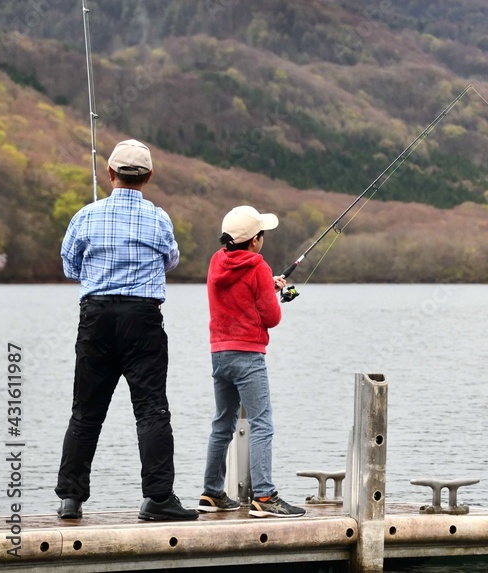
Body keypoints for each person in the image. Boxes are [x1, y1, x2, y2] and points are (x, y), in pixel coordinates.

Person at [57, 139, 198, 521]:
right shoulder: (159, 219)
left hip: (96, 317)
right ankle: (158, 499)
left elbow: (70, 267)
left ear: (110, 173)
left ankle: (71, 498)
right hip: (143, 319)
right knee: (151, 410)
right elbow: (170, 260)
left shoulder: (86, 216)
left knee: (86, 411)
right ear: (149, 176)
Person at [199, 206, 305, 518]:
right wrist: (272, 293)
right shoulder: (257, 266)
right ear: (255, 240)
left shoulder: (217, 262)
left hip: (219, 354)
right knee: (262, 423)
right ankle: (264, 497)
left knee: (222, 423)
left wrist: (266, 286)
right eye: (262, 235)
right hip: (247, 356)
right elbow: (271, 318)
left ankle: (211, 493)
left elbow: (237, 293)